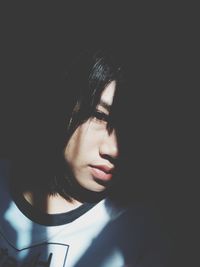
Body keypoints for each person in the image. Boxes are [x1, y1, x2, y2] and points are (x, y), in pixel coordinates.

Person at [0, 47, 172, 266]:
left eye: (130, 129)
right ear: (66, 104)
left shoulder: (138, 232)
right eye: (100, 116)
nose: (113, 150)